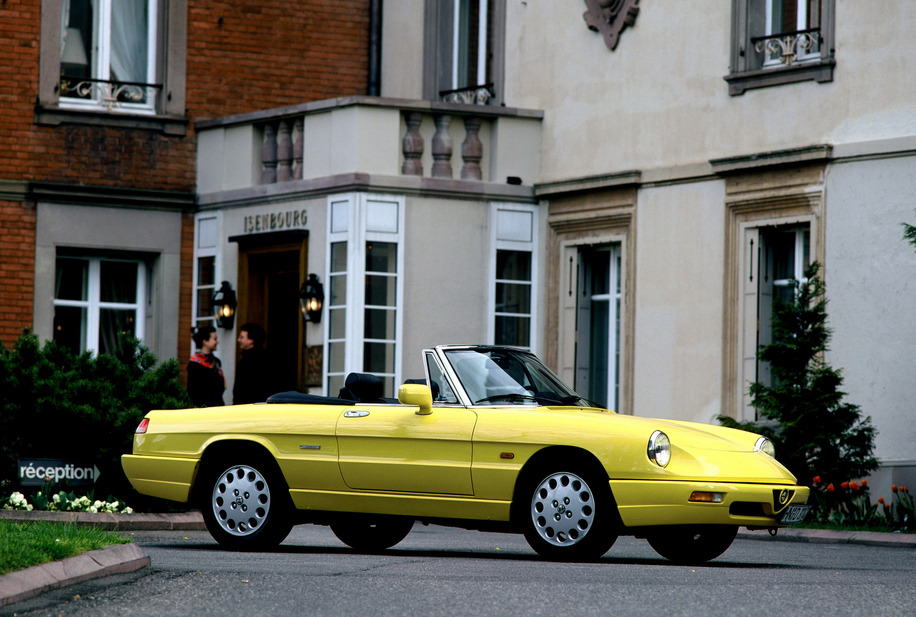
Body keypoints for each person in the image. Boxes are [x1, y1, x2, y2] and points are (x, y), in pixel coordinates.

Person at [233, 322, 274, 404]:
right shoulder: (268, 358)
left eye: (242, 337)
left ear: (251, 340)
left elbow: (240, 390)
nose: (239, 340)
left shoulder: (247, 362)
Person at [187, 325, 225, 407]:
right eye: (215, 339)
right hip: (204, 410)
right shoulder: (194, 364)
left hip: (218, 407)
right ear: (205, 342)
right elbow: (192, 391)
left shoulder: (217, 362)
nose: (217, 341)